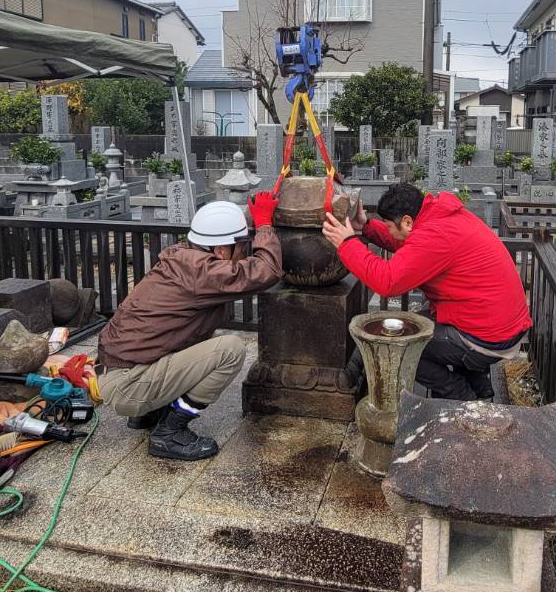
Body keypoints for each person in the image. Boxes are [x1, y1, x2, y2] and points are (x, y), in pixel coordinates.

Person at [98, 194, 282, 461]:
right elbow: (268, 270)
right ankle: (169, 433)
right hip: (129, 384)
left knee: (199, 342)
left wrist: (252, 218)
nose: (245, 253)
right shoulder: (202, 272)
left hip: (118, 371)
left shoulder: (185, 257)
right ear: (220, 250)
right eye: (242, 246)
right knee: (229, 350)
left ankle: (147, 413)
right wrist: (265, 225)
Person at [322, 182, 531, 402]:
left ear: (407, 221)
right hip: (495, 323)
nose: (389, 230)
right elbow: (407, 243)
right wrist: (366, 227)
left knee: (399, 345)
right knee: (416, 320)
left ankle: (461, 395)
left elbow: (387, 281)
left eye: (388, 225)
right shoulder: (439, 218)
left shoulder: (434, 236)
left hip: (486, 337)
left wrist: (347, 243)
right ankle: (478, 383)